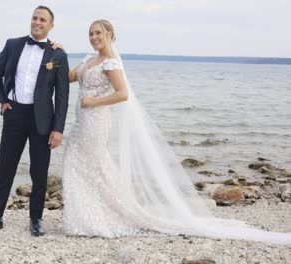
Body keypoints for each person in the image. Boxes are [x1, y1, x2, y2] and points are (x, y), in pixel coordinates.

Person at [61, 19, 291, 244]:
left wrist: (94, 101)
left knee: (94, 163)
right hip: (81, 120)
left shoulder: (110, 62)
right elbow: (69, 77)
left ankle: (101, 215)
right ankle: (89, 212)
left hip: (96, 120)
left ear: (109, 35)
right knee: (84, 161)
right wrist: (59, 55)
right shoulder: (89, 60)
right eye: (91, 34)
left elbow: (123, 94)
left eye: (98, 33)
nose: (94, 38)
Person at [0, 6, 69, 237]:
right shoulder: (13, 44)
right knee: (5, 167)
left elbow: (62, 96)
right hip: (14, 115)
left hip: (42, 120)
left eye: (43, 20)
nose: (37, 22)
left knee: (39, 172)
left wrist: (58, 129)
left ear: (50, 26)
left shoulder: (58, 55)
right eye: (35, 18)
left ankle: (36, 220)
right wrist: (1, 100)